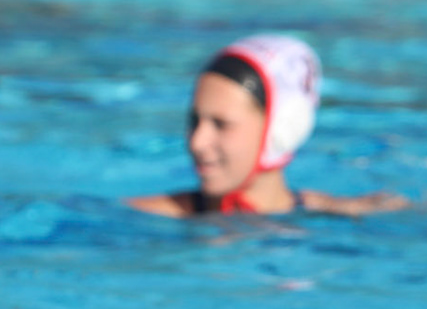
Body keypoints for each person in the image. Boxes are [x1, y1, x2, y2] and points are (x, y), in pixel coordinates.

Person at [129, 35, 410, 219]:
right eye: (194, 121)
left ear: (281, 128)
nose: (196, 142)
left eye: (221, 124)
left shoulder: (325, 210)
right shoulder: (145, 215)